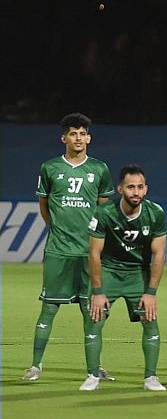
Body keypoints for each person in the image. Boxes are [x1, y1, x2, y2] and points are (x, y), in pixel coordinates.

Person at [23, 113, 115, 382]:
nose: (78, 138)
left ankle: (95, 367)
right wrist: (56, 229)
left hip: (89, 253)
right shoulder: (50, 168)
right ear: (63, 138)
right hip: (59, 251)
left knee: (92, 311)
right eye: (73, 134)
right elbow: (44, 204)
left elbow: (103, 210)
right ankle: (35, 366)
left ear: (89, 138)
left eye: (82, 133)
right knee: (49, 308)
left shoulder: (99, 169)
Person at [81, 165, 167, 391]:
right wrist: (97, 292)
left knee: (150, 321)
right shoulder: (104, 213)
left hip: (137, 273)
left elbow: (159, 254)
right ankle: (92, 376)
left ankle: (151, 378)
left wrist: (151, 293)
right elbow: (94, 253)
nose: (136, 192)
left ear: (146, 189)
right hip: (109, 271)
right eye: (130, 187)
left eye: (140, 187)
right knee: (94, 320)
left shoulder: (155, 213)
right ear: (120, 189)